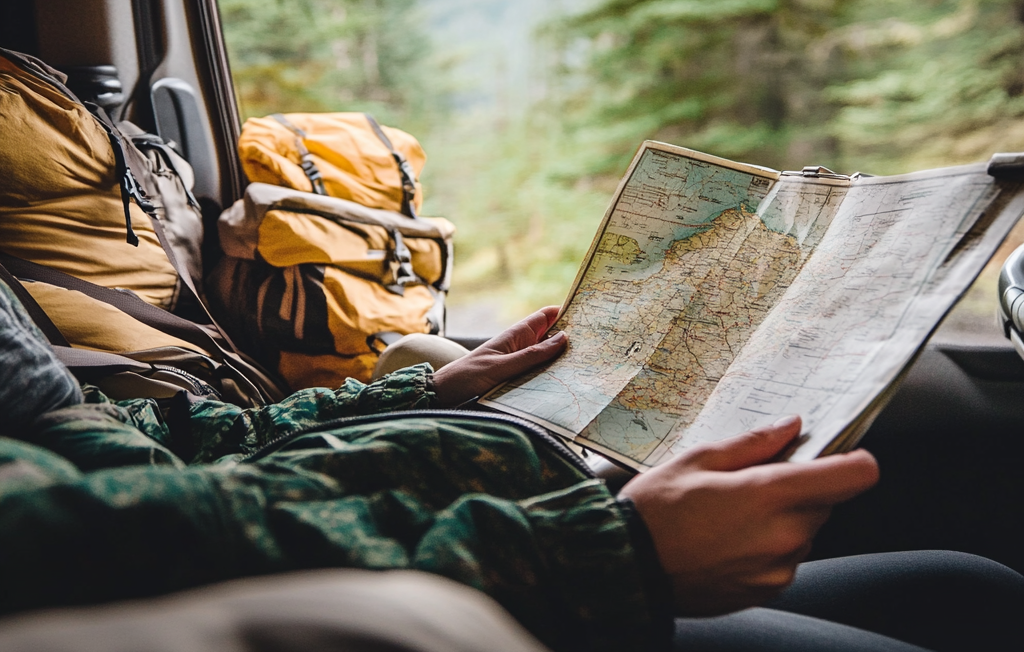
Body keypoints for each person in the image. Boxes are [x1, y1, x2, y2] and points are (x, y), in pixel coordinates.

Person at [0, 280, 1020, 652]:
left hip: (512, 548)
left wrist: (418, 392)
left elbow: (147, 448)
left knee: (968, 589)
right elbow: (102, 538)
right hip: (499, 585)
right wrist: (607, 555)